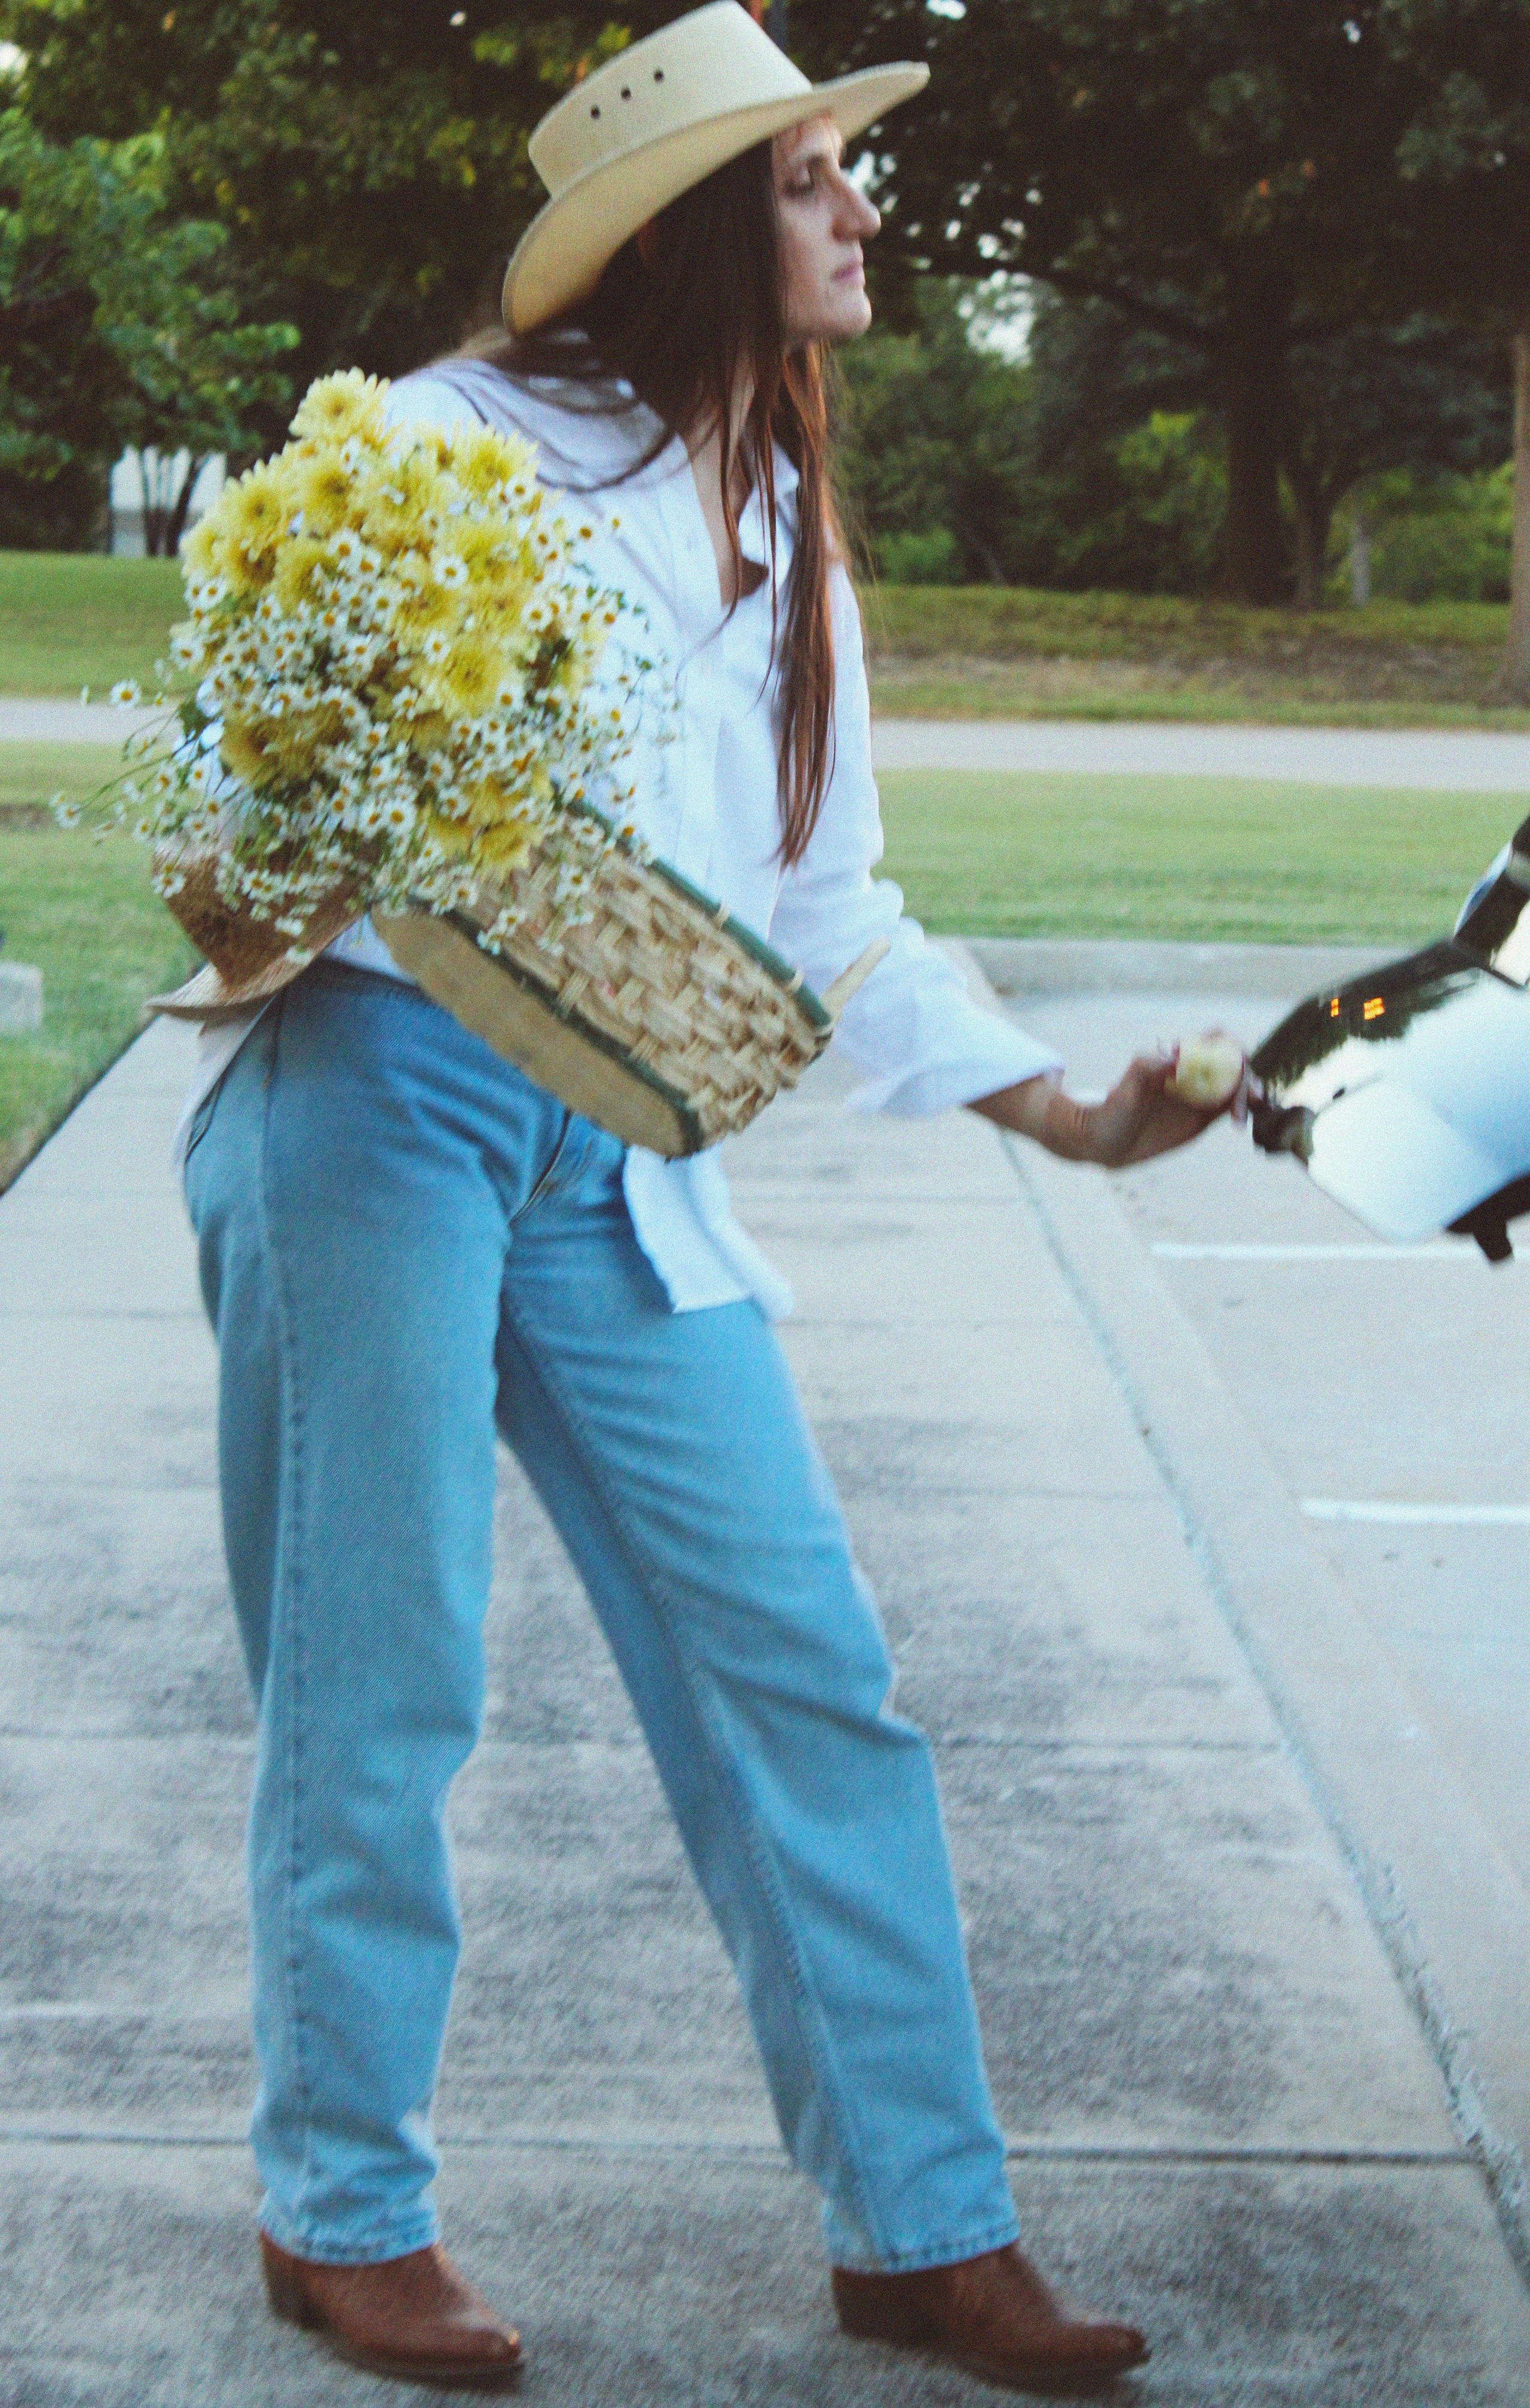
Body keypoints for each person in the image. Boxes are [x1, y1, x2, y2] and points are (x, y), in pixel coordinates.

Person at [176, 4, 1220, 2391]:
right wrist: (310, 815)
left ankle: (919, 2223)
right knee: (382, 1670)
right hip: (373, 1096)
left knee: (803, 1663)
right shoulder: (427, 451)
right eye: (808, 179)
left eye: (850, 173)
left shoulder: (784, 520)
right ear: (683, 233)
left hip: (608, 1138)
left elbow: (831, 913)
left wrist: (1061, 1106)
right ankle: (339, 2204)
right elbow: (226, 809)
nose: (859, 211)